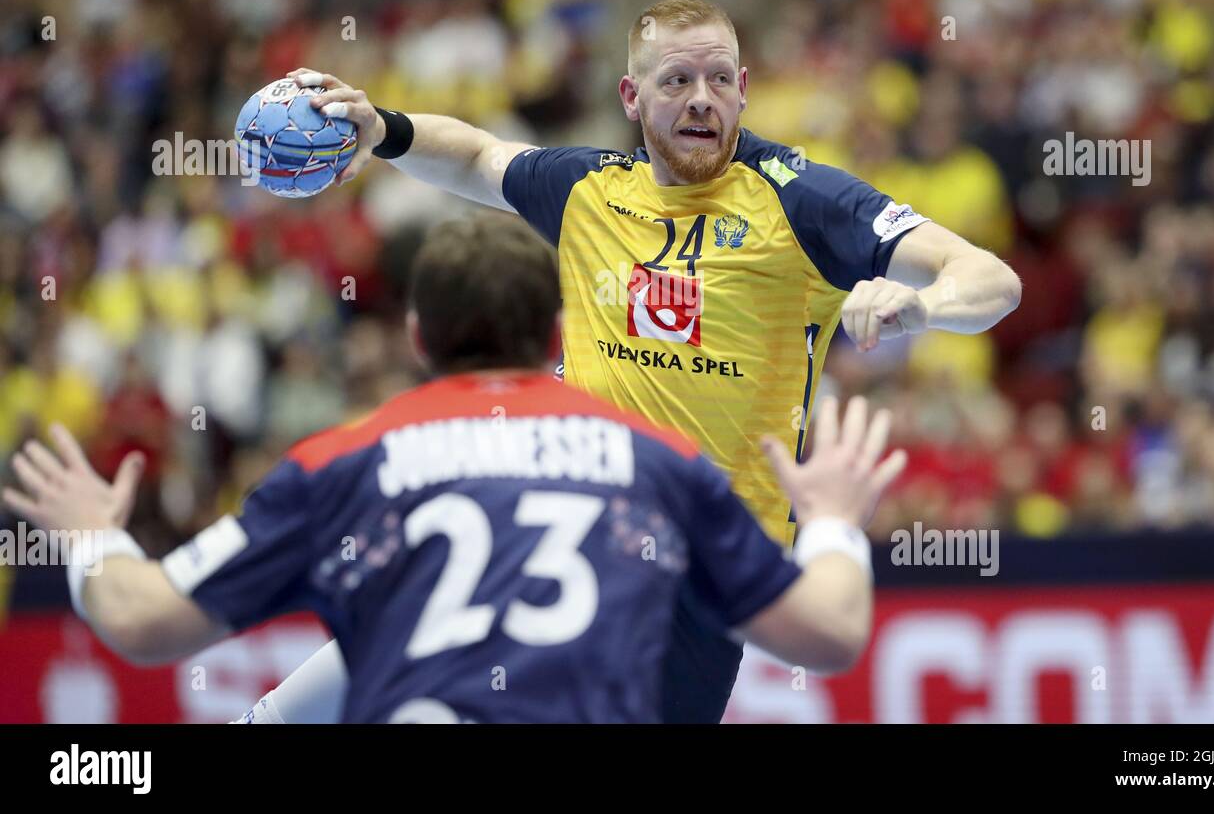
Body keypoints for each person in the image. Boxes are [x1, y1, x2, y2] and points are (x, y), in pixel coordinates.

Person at [269, 0, 1021, 723]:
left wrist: (920, 304)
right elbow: (477, 156)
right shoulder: (592, 190)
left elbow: (992, 279)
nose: (702, 99)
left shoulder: (804, 202)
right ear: (632, 95)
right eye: (678, 80)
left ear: (744, 90)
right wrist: (383, 131)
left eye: (720, 79)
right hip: (560, 524)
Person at [4, 212, 907, 724]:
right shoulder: (662, 466)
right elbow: (828, 634)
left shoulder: (345, 463)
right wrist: (829, 517)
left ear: (416, 337)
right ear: (557, 338)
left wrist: (90, 534)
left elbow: (138, 618)